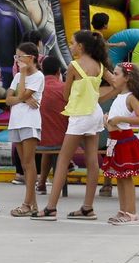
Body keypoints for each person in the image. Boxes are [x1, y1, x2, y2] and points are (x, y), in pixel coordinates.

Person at [39, 29, 107, 220]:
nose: (70, 45)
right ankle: (87, 207)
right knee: (92, 161)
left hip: (79, 115)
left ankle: (51, 208)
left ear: (81, 46)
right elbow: (116, 84)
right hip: (94, 113)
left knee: (62, 160)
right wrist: (98, 98)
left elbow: (66, 95)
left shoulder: (74, 66)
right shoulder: (99, 65)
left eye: (72, 42)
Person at [102, 63, 139, 224]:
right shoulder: (118, 97)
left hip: (125, 141)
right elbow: (114, 123)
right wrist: (107, 121)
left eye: (116, 74)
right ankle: (123, 210)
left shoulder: (130, 97)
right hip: (115, 141)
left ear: (127, 78)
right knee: (119, 177)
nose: (113, 77)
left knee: (126, 178)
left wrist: (121, 119)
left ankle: (131, 212)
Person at [5, 41, 46, 216]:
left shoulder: (38, 77)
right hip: (16, 121)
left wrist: (22, 78)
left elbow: (20, 94)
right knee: (24, 164)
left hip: (29, 122)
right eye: (16, 57)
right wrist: (21, 98)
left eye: (20, 57)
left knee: (29, 163)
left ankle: (27, 204)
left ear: (31, 58)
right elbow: (8, 99)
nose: (17, 60)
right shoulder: (16, 77)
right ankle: (33, 204)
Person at [36, 54, 67, 199]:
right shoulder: (64, 88)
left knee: (48, 140)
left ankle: (41, 182)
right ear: (58, 72)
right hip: (62, 140)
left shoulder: (35, 88)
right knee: (56, 138)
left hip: (37, 140)